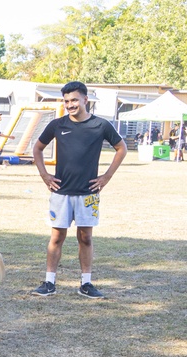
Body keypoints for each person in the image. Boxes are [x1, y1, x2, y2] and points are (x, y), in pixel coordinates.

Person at [31, 81, 127, 299]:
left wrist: (106, 176)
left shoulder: (101, 125)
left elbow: (122, 148)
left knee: (85, 238)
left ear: (85, 99)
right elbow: (37, 148)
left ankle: (86, 283)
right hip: (61, 193)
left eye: (74, 100)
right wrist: (45, 175)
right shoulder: (57, 125)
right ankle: (49, 282)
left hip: (88, 194)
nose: (70, 105)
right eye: (66, 101)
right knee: (57, 237)